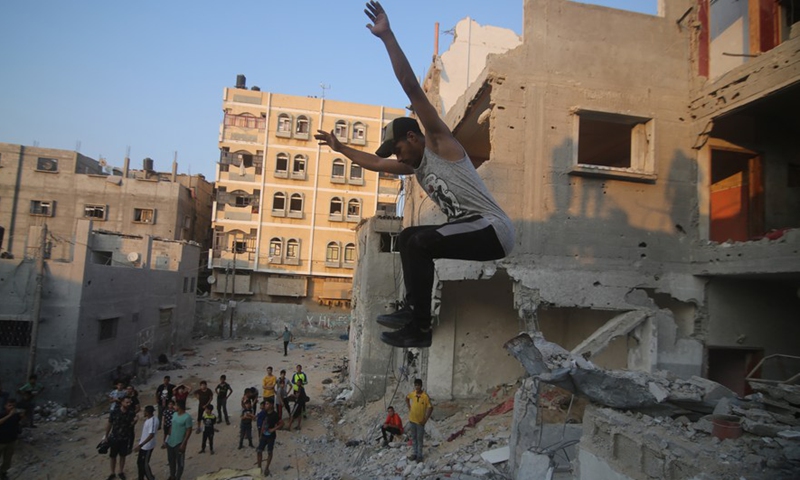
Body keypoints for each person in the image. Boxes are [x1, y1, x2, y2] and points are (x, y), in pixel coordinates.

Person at [314, 1, 515, 349]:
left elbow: (410, 86)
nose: (397, 157)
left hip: (493, 229)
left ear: (412, 137)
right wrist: (340, 148)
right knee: (409, 237)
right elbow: (375, 164)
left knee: (419, 241)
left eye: (398, 149)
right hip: (474, 233)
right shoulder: (415, 166)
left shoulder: (439, 143)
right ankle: (414, 314)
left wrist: (387, 36)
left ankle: (419, 327)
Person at [103, 396, 137, 480]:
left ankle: (121, 471)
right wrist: (106, 436)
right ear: (122, 402)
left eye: (129, 402)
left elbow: (130, 426)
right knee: (113, 456)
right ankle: (112, 472)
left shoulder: (131, 412)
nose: (128, 404)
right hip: (115, 437)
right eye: (127, 402)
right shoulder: (115, 412)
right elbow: (109, 424)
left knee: (123, 456)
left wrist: (135, 422)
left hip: (125, 438)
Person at [405, 379, 433, 462]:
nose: (417, 387)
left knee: (419, 438)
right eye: (416, 385)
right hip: (412, 420)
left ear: (421, 386)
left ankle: (419, 456)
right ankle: (414, 453)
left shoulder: (425, 396)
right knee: (413, 438)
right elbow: (406, 398)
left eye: (418, 385)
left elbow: (430, 407)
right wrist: (409, 407)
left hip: (420, 422)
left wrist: (425, 419)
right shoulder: (412, 394)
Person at [165, 400, 193, 480]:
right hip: (171, 442)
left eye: (175, 405)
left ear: (179, 407)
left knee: (180, 462)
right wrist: (167, 439)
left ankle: (177, 477)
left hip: (179, 442)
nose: (174, 407)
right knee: (171, 460)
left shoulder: (187, 417)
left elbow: (189, 431)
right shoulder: (174, 414)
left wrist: (183, 443)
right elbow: (171, 426)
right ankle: (172, 475)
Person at [255, 400, 283, 477]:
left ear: (271, 405)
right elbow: (263, 424)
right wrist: (260, 435)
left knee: (269, 452)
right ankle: (259, 467)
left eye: (267, 404)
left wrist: (273, 429)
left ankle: (267, 467)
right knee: (259, 451)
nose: (265, 405)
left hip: (271, 436)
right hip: (264, 435)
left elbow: (281, 423)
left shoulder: (275, 415)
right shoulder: (264, 413)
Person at [133, 405, 159, 480]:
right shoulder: (149, 419)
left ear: (147, 413)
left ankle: (150, 478)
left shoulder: (152, 421)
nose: (143, 413)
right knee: (139, 463)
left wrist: (140, 445)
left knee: (145, 464)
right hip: (144, 445)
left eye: (144, 411)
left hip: (148, 446)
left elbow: (151, 435)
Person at [0, 398, 23, 480]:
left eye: (13, 406)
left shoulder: (15, 415)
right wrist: (9, 415)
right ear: (5, 406)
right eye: (9, 405)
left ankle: (3, 473)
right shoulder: (2, 414)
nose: (11, 407)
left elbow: (19, 423)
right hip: (1, 441)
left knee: (7, 459)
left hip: (11, 440)